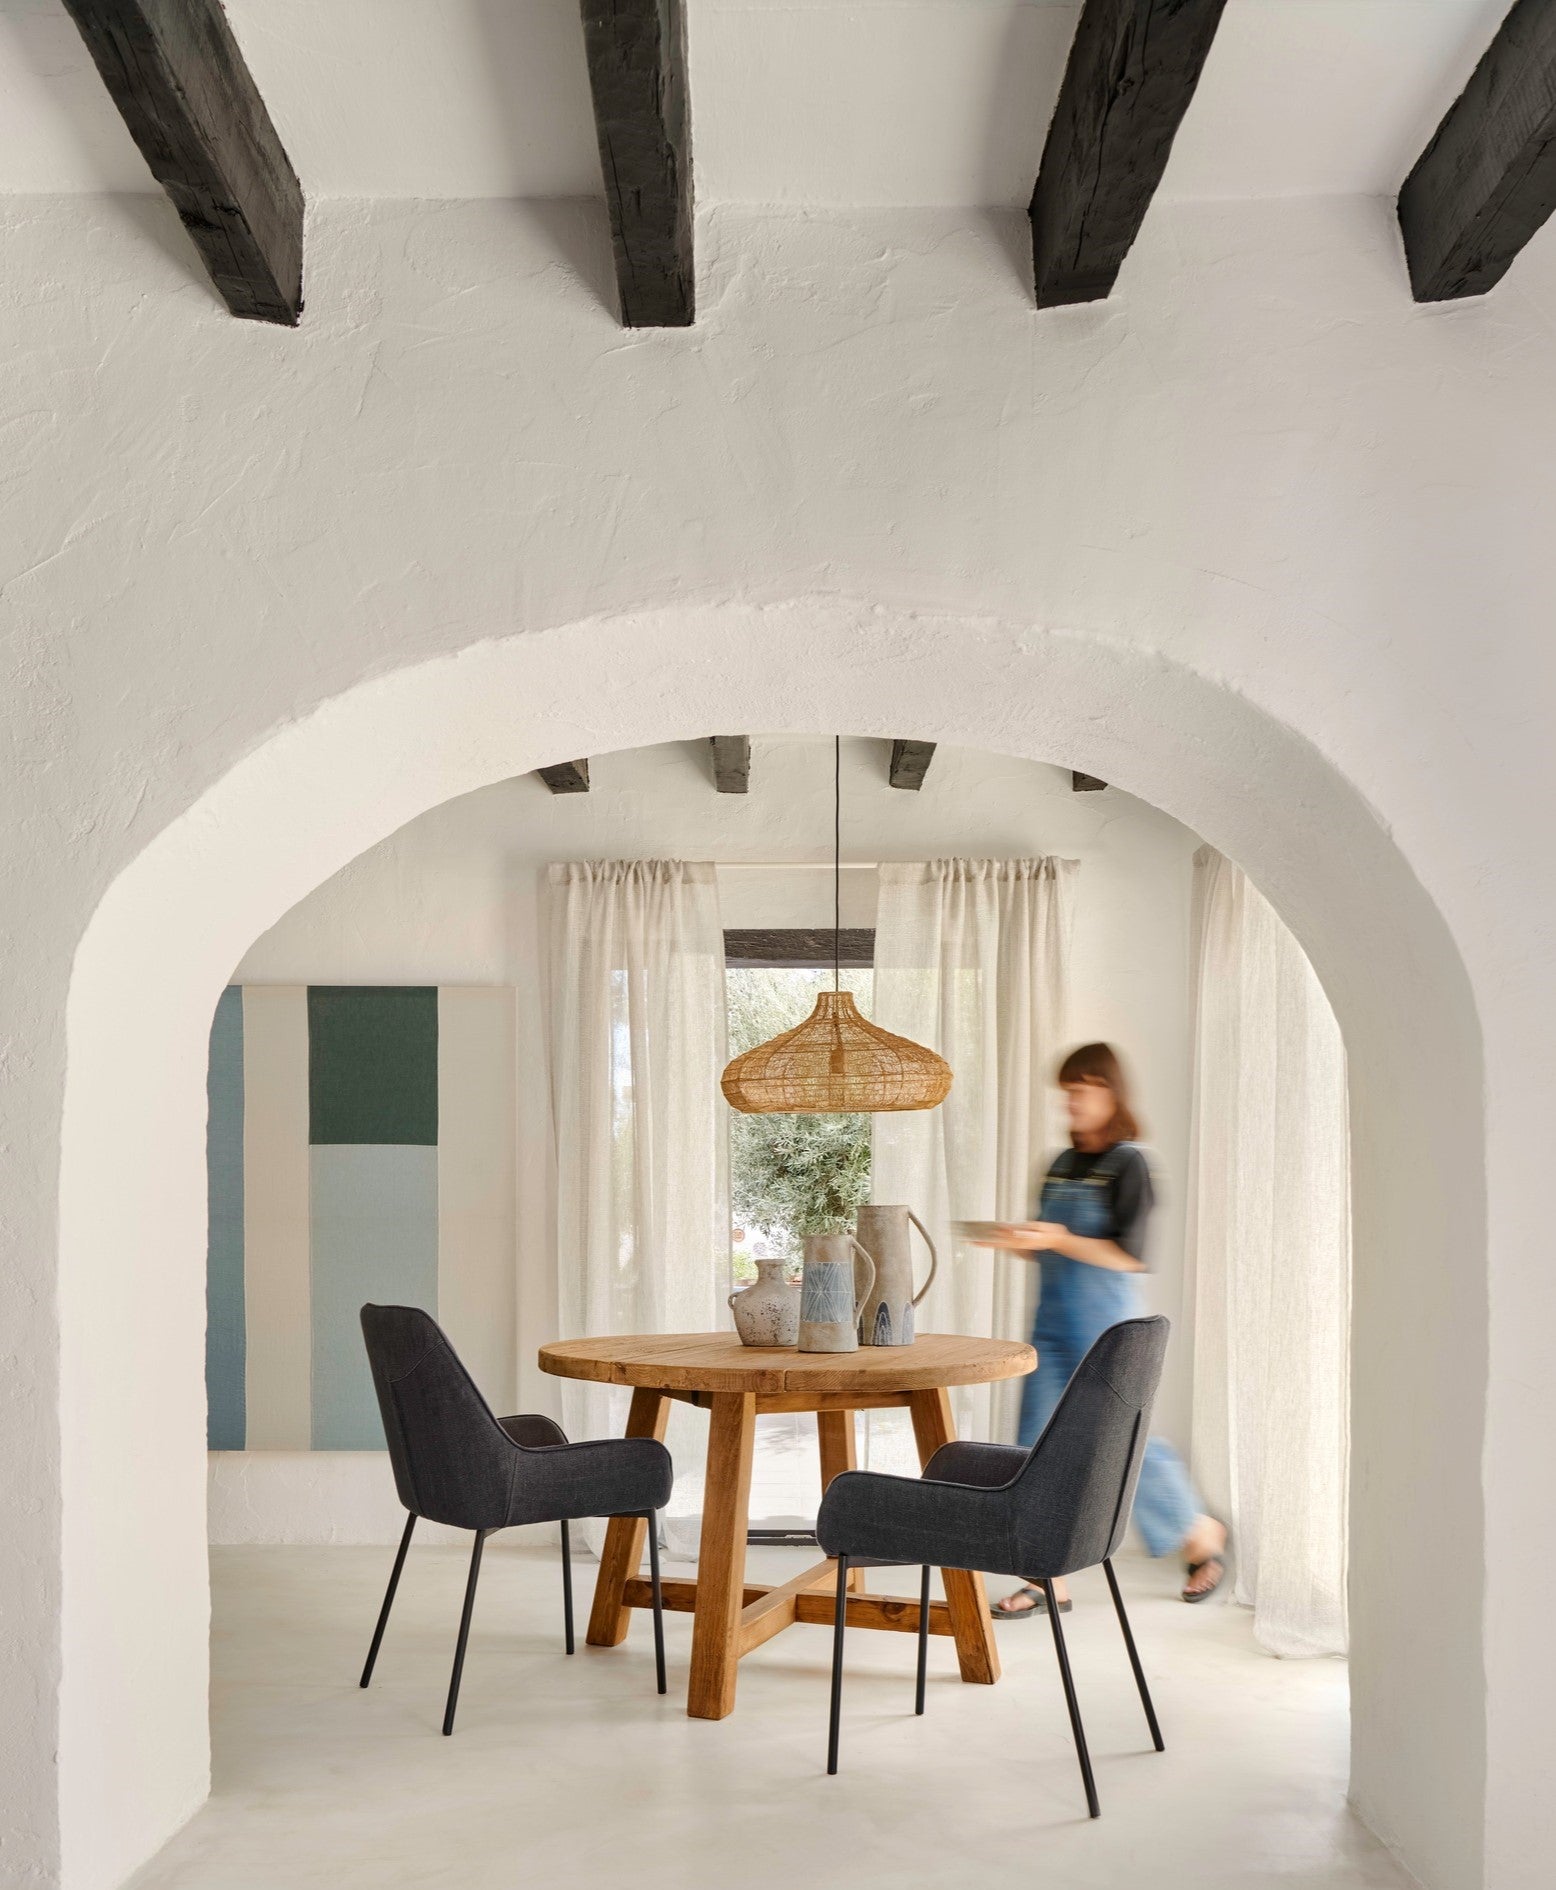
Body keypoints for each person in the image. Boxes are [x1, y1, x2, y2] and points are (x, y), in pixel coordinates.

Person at [975, 1042, 1228, 1615]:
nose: (1070, 1103)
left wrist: (1056, 1237)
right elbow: (1051, 1252)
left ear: (1109, 1092)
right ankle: (1046, 1577)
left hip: (1107, 1332)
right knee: (1036, 1450)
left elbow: (1129, 1256)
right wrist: (1019, 1241)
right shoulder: (1062, 1164)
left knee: (1120, 1444)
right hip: (1053, 1328)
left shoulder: (1131, 1162)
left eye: (1081, 1091)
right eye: (1066, 1093)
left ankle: (1198, 1532)